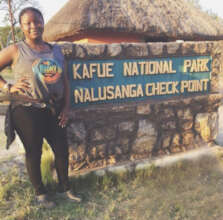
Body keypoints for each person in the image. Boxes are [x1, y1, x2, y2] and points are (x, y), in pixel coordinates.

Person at [0, 7, 81, 208]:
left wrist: (67, 107)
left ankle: (65, 188)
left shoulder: (56, 50)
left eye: (37, 21)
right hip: (27, 110)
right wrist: (8, 87)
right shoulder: (16, 50)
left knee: (62, 150)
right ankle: (41, 193)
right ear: (22, 27)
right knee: (33, 152)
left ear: (43, 22)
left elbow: (66, 80)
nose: (34, 25)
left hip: (55, 109)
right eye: (28, 23)